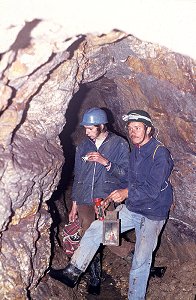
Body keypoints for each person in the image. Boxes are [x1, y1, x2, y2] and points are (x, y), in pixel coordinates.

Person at [49, 109, 174, 299]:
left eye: (137, 128)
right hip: (129, 207)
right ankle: (72, 273)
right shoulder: (134, 152)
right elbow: (127, 180)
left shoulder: (159, 154)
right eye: (130, 128)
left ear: (149, 129)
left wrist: (124, 189)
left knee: (138, 260)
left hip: (152, 213)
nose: (133, 132)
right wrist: (115, 194)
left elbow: (151, 189)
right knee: (93, 231)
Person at [62, 107, 131, 294]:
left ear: (102, 126)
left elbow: (127, 176)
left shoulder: (119, 144)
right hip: (85, 200)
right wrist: (74, 203)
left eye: (90, 128)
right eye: (85, 128)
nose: (87, 132)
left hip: (107, 199)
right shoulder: (83, 146)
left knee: (111, 238)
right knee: (87, 237)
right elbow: (78, 175)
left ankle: (146, 265)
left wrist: (105, 162)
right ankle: (94, 278)